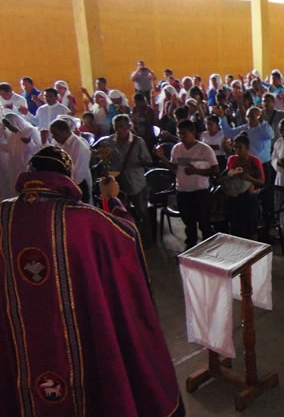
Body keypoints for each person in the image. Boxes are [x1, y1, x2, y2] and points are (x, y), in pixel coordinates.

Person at [0, 146, 184, 417]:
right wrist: (113, 200)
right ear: (65, 176)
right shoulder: (82, 219)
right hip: (77, 333)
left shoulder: (3, 215)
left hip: (20, 336)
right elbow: (127, 235)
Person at [153, 120, 219, 250]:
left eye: (184, 133)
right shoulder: (177, 148)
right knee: (189, 223)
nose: (181, 136)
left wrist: (196, 171)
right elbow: (175, 169)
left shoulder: (204, 149)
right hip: (182, 191)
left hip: (200, 192)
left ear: (192, 132)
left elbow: (215, 171)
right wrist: (162, 158)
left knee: (204, 223)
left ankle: (209, 249)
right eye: (179, 133)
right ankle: (191, 248)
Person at [222, 133, 264, 239]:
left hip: (249, 197)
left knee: (250, 228)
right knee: (236, 228)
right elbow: (227, 175)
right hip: (234, 197)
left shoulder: (255, 161)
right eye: (235, 147)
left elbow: (261, 182)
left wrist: (249, 178)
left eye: (240, 147)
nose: (237, 150)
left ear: (247, 148)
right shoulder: (232, 159)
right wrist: (232, 175)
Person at [49, 118, 92, 203]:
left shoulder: (78, 146)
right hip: (63, 183)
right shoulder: (56, 142)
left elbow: (78, 173)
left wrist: (66, 187)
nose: (53, 137)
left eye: (56, 134)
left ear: (66, 132)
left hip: (78, 185)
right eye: (52, 134)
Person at [1, 112, 42, 200]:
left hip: (27, 166)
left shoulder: (31, 131)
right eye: (7, 126)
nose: (9, 128)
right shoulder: (12, 134)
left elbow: (39, 149)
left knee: (26, 189)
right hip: (15, 167)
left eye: (9, 125)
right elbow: (8, 148)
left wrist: (29, 143)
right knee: (15, 188)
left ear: (15, 122)